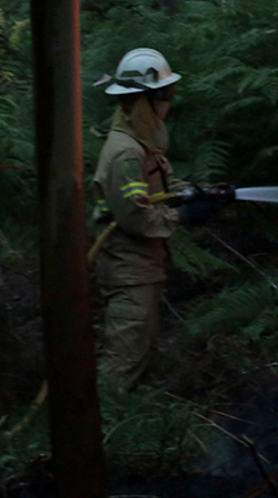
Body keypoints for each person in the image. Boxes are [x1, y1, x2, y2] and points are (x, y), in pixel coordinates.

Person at [91, 48, 213, 387]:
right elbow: (135, 217)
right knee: (124, 362)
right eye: (164, 94)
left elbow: (157, 186)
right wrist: (184, 216)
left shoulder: (139, 143)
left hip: (141, 269)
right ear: (143, 99)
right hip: (129, 270)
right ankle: (97, 426)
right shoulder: (126, 153)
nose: (168, 103)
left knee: (140, 353)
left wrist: (197, 192)